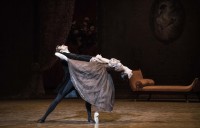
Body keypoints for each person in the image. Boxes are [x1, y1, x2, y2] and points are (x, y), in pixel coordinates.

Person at [37, 45, 97, 123]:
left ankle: (89, 118)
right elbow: (58, 54)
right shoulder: (61, 55)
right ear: (61, 50)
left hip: (79, 80)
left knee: (87, 98)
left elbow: (78, 58)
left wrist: (92, 59)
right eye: (61, 46)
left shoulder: (72, 55)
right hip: (70, 80)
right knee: (58, 99)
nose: (63, 45)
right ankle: (43, 118)